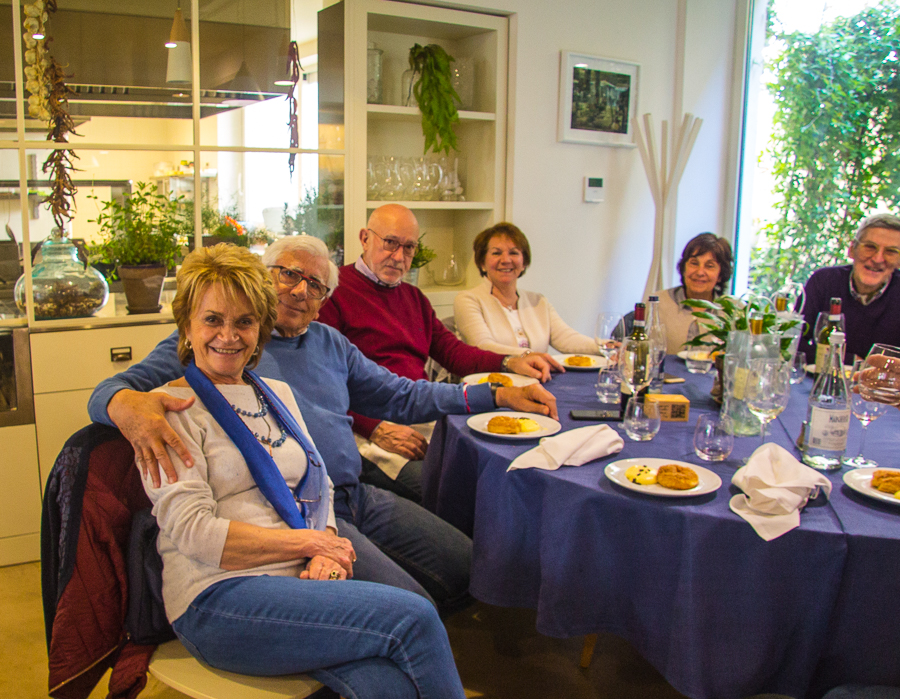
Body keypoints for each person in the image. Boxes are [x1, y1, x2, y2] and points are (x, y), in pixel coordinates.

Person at [88, 235, 557, 618]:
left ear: (323, 302)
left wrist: (495, 394)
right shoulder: (223, 341)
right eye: (289, 274)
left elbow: (403, 394)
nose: (300, 290)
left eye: (315, 284)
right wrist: (127, 405)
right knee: (411, 607)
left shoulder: (330, 342)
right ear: (263, 279)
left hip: (354, 493)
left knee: (468, 566)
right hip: (297, 515)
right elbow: (108, 391)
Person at [142, 244, 466, 699]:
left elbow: (319, 480)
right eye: (212, 320)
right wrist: (314, 544)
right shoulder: (169, 411)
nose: (228, 336)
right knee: (414, 618)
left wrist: (326, 547)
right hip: (218, 597)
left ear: (261, 328)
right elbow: (195, 532)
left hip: (297, 577)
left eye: (244, 322)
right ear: (187, 327)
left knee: (388, 682)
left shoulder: (274, 392)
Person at [317, 205, 561, 502]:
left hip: (419, 410)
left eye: (409, 247)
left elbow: (454, 353)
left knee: (500, 473)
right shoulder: (333, 293)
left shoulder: (414, 297)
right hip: (367, 428)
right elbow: (322, 386)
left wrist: (510, 362)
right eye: (390, 243)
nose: (399, 256)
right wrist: (375, 428)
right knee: (460, 494)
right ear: (365, 238)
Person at [453, 222, 597, 356]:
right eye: (496, 253)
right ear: (482, 263)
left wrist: (605, 347)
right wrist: (531, 357)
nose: (506, 260)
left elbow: (567, 338)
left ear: (524, 263)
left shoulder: (538, 301)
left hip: (538, 373)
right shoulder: (468, 300)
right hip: (492, 375)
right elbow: (483, 346)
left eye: (513, 253)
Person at [797, 213, 900, 363]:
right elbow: (792, 343)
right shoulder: (824, 281)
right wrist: (851, 361)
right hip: (820, 377)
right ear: (852, 249)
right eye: (870, 247)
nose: (878, 259)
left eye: (891, 252)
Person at [649, 232, 734, 354]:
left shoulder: (733, 311)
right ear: (683, 268)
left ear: (720, 275)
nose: (700, 272)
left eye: (709, 266)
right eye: (694, 263)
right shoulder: (657, 302)